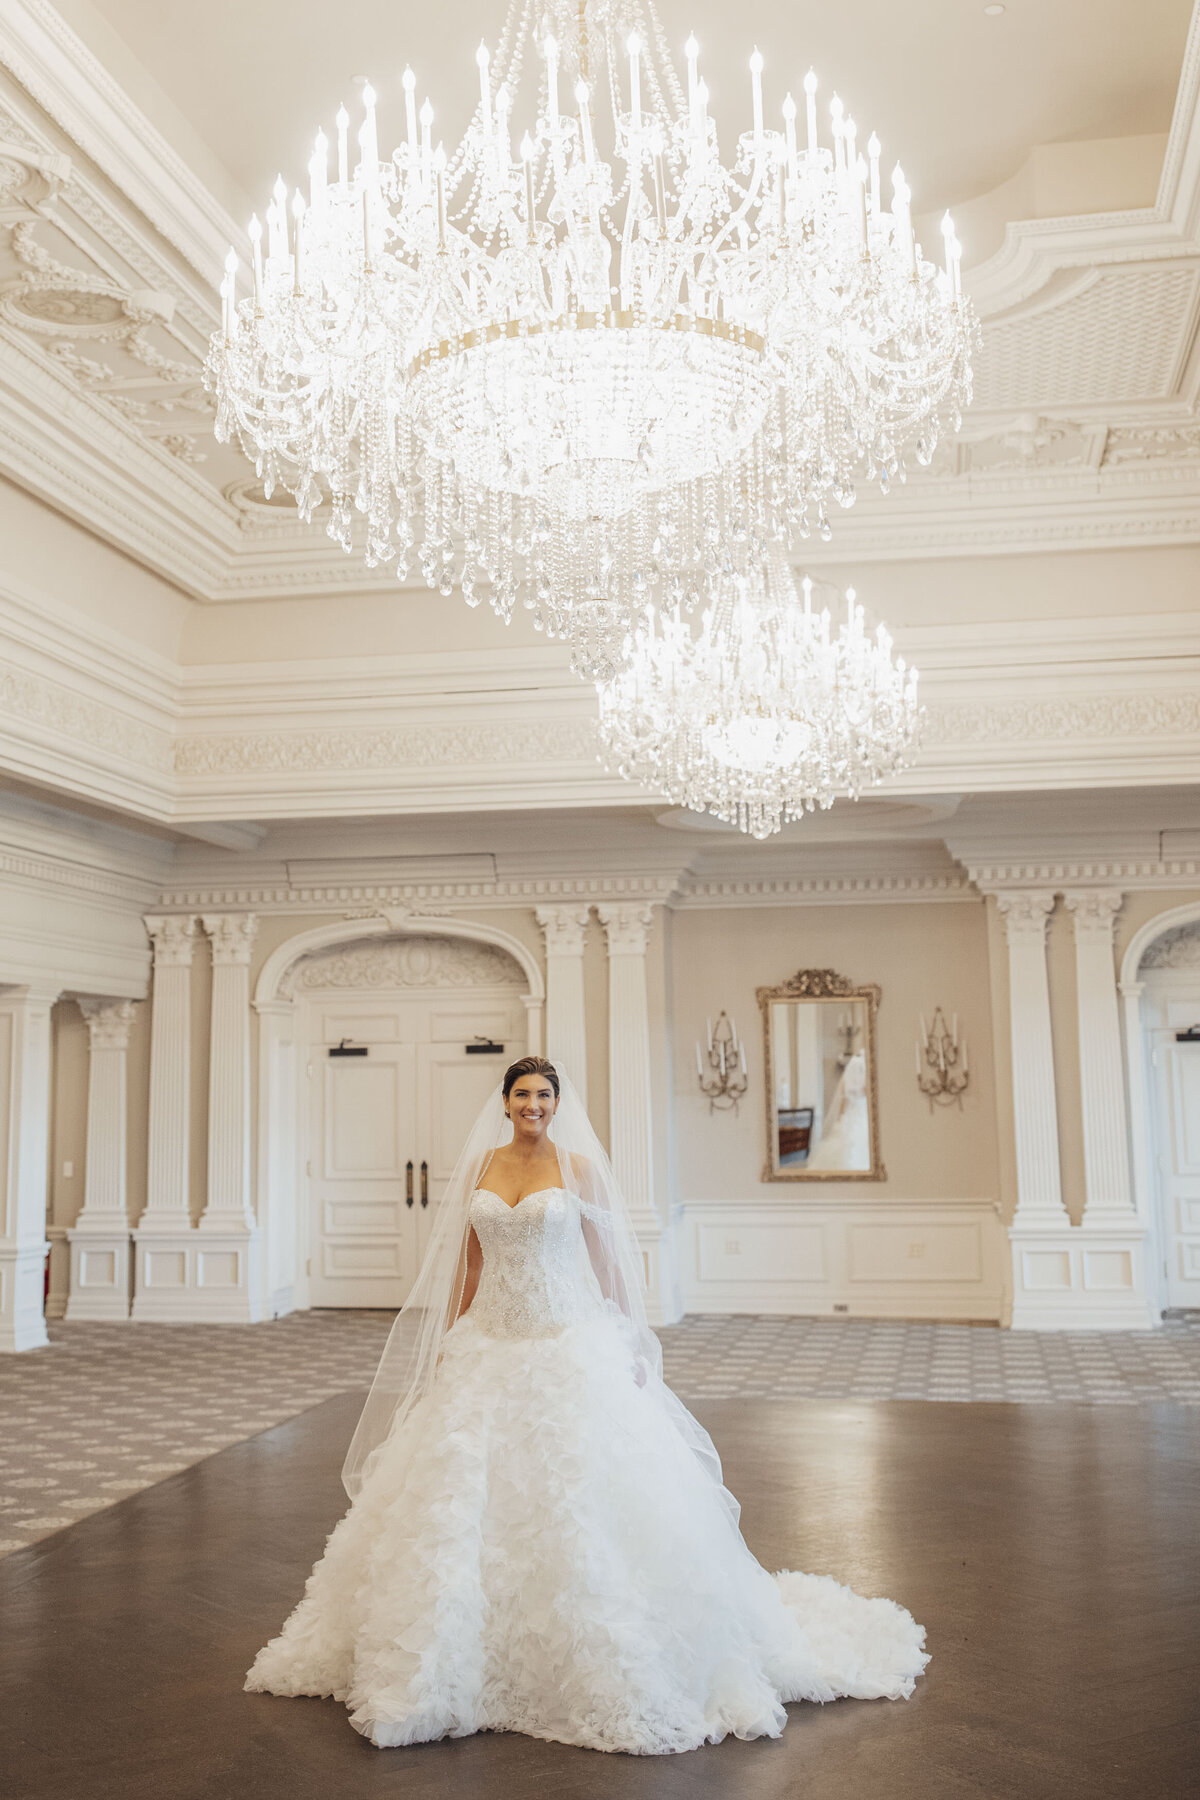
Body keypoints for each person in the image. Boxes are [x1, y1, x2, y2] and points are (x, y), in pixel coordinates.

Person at [245, 1055, 927, 1753]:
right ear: (504, 1101)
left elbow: (607, 1260)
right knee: (456, 1496)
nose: (532, 1104)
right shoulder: (483, 1166)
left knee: (578, 1495)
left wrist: (629, 1337)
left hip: (568, 1338)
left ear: (556, 1102)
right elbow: (470, 1263)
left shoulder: (580, 1169)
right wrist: (450, 1333)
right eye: (521, 1094)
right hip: (491, 1341)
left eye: (543, 1094)